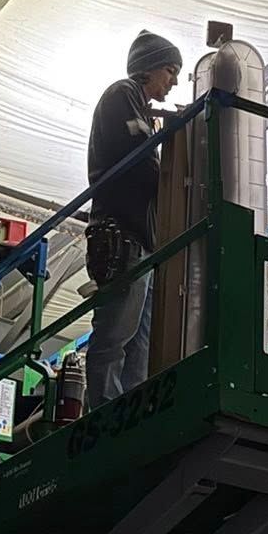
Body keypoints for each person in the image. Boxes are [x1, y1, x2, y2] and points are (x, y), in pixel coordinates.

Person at [84, 30, 183, 407]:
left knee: (139, 344)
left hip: (142, 241)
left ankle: (130, 411)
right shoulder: (122, 93)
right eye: (170, 71)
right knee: (115, 335)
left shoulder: (142, 109)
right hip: (122, 234)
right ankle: (105, 412)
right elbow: (139, 154)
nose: (172, 81)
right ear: (147, 68)